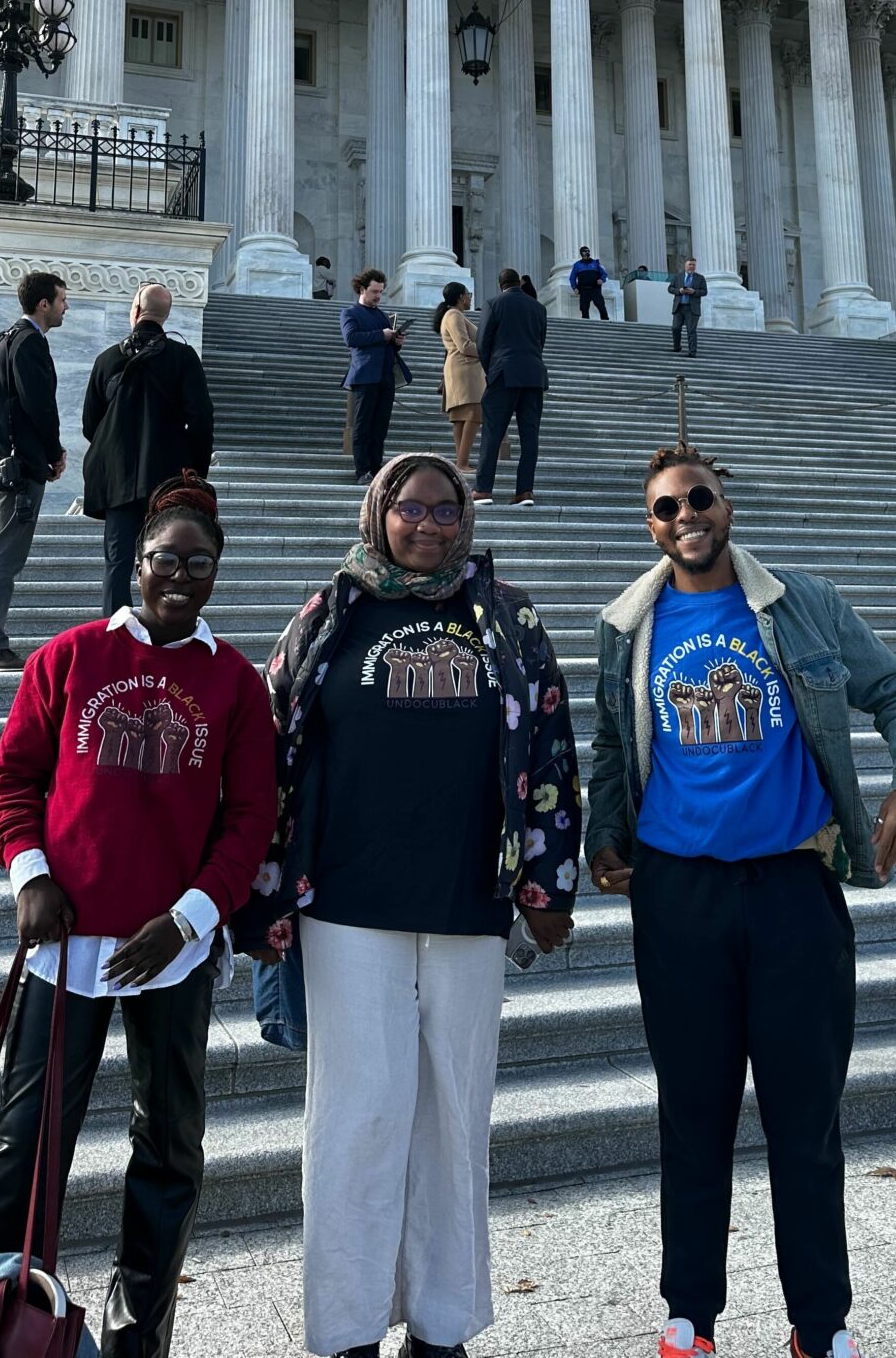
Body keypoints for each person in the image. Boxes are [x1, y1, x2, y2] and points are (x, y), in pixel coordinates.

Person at [586, 446, 896, 1358]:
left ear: (727, 505)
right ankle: (689, 1318)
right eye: (665, 509)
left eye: (698, 499)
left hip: (793, 888)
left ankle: (820, 1325)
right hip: (680, 897)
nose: (685, 518)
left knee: (805, 1116)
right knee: (692, 1112)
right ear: (651, 525)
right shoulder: (628, 625)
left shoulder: (802, 604)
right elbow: (610, 745)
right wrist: (603, 832)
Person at [240, 453, 580, 1358]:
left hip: (470, 898)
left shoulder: (506, 617)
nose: (428, 525)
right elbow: (274, 748)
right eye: (410, 509)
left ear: (466, 519)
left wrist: (547, 883)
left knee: (454, 1119)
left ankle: (441, 1325)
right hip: (347, 901)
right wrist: (264, 893)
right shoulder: (330, 611)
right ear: (377, 512)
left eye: (445, 510)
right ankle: (345, 1327)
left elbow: (549, 745)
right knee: (356, 1117)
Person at [0, 474, 277, 1358]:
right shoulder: (68, 658)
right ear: (137, 563)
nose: (180, 576)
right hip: (65, 946)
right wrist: (30, 875)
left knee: (169, 1148)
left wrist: (187, 919)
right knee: (25, 1145)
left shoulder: (234, 684)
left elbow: (250, 819)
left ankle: (139, 1332)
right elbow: (10, 782)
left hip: (168, 953)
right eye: (165, 560)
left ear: (217, 573)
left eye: (199, 564)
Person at [82, 284, 216, 618]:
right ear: (165, 315)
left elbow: (90, 424)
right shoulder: (183, 358)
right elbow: (201, 420)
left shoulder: (107, 359)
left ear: (136, 311)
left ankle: (115, 636)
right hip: (167, 481)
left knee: (117, 563)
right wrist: (195, 473)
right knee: (167, 558)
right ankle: (162, 626)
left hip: (117, 481)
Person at [0, 271, 68, 673]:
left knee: (4, 554)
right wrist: (54, 451)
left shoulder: (4, 339)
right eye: (62, 300)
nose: (66, 307)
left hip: (5, 463)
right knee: (5, 557)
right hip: (21, 465)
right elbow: (37, 404)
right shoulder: (28, 343)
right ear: (43, 303)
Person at [473, 266, 548, 507]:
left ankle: (484, 490)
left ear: (500, 284)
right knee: (530, 437)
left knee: (493, 433)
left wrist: (491, 368)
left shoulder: (493, 304)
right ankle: (525, 491)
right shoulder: (538, 307)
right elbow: (540, 341)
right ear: (520, 283)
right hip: (534, 374)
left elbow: (483, 343)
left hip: (504, 373)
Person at [342, 268, 411, 483]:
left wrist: (396, 342)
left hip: (385, 377)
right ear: (362, 289)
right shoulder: (350, 313)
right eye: (374, 291)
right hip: (364, 376)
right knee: (363, 425)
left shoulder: (382, 315)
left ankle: (376, 467)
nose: (378, 296)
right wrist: (381, 335)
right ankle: (362, 470)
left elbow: (385, 346)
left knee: (380, 427)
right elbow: (351, 338)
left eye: (380, 292)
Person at [434, 280, 485, 473]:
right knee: (473, 414)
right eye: (468, 294)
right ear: (460, 297)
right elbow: (464, 345)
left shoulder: (454, 315)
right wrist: (487, 351)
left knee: (462, 417)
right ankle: (462, 462)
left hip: (462, 369)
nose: (470, 298)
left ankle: (461, 461)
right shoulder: (454, 315)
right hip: (464, 370)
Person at [669, 258, 707, 358]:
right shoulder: (678, 277)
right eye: (690, 264)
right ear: (685, 266)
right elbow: (670, 288)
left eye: (693, 265)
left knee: (691, 330)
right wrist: (679, 291)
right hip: (679, 307)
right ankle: (677, 346)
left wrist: (694, 292)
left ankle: (692, 352)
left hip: (692, 308)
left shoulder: (700, 278)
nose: (692, 266)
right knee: (675, 328)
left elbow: (704, 291)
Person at [569, 245, 610, 320]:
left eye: (588, 251)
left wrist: (602, 279)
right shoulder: (577, 265)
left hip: (595, 289)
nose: (587, 252)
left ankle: (606, 322)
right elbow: (572, 278)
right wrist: (574, 288)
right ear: (581, 253)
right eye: (585, 251)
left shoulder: (596, 263)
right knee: (584, 309)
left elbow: (604, 273)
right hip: (584, 290)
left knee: (601, 307)